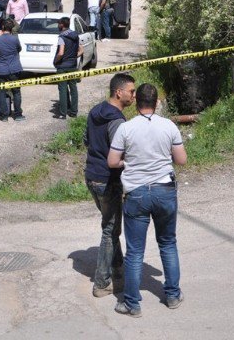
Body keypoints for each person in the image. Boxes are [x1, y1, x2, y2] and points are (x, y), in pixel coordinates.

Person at [108, 83, 187, 318]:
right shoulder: (169, 125)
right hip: (164, 190)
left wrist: (127, 163)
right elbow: (181, 160)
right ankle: (172, 295)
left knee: (135, 252)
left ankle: (132, 304)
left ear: (136, 102)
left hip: (137, 194)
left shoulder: (126, 128)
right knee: (168, 243)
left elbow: (112, 161)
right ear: (156, 103)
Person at [84, 73, 137, 298]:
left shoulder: (96, 111)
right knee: (110, 230)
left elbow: (87, 140)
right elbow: (118, 156)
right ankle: (102, 283)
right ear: (119, 92)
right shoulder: (117, 121)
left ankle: (118, 271)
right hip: (107, 181)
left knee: (111, 227)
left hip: (91, 176)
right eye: (131, 91)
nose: (134, 95)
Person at [0, 19, 24, 121]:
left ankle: (4, 116)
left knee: (2, 93)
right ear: (11, 28)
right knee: (16, 92)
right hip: (14, 69)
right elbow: (19, 49)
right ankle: (18, 115)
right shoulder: (15, 39)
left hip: (1, 70)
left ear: (3, 28)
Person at [53, 16, 82, 119]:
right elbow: (81, 50)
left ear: (61, 25)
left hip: (62, 67)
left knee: (63, 89)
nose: (58, 26)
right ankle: (74, 112)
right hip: (73, 66)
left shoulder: (62, 37)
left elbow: (60, 53)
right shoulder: (75, 35)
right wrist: (73, 57)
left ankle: (62, 113)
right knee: (73, 88)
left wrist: (56, 61)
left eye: (58, 24)